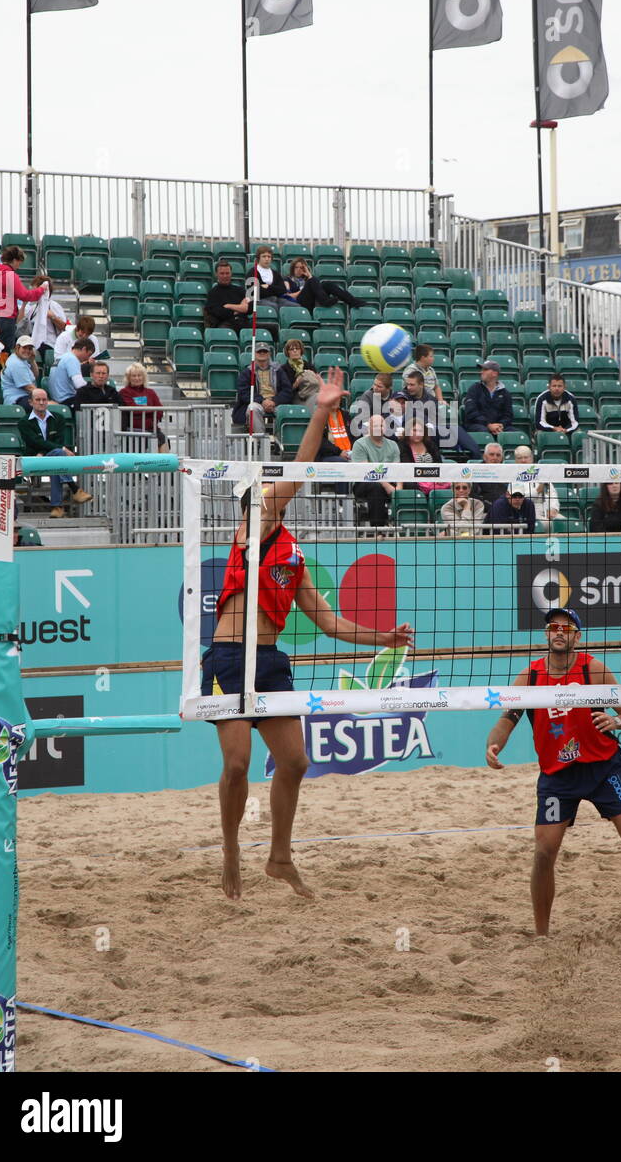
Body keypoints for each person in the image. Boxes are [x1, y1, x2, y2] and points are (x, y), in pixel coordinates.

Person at [203, 366, 413, 900]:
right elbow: (298, 471)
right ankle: (230, 850)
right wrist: (322, 410)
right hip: (229, 659)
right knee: (236, 763)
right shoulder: (254, 525)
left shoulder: (291, 556)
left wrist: (384, 638)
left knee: (295, 761)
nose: (270, 499)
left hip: (270, 662)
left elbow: (329, 622)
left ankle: (278, 857)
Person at [485, 607, 621, 936]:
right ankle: (542, 934)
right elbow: (507, 720)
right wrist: (494, 745)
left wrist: (616, 720)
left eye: (567, 628)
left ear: (577, 636)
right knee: (544, 852)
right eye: (553, 627)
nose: (559, 632)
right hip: (558, 777)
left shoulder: (594, 670)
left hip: (605, 768)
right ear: (546, 634)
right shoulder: (531, 677)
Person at [19, 387, 93, 518]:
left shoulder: (58, 418)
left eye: (44, 399)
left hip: (51, 455)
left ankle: (57, 507)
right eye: (38, 400)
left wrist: (48, 450)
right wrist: (57, 450)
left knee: (56, 461)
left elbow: (59, 440)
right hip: (34, 457)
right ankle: (74, 489)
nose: (41, 402)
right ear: (31, 402)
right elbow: (34, 442)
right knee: (58, 456)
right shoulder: (24, 422)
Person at [0, 245, 49, 352]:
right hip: (5, 318)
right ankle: (3, 369)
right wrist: (41, 289)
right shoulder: (10, 275)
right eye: (19, 262)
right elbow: (25, 295)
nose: (19, 266)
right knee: (4, 352)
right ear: (15, 260)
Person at [351, 414, 399, 525]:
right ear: (369, 428)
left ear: (385, 428)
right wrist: (387, 486)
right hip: (363, 482)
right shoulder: (359, 444)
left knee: (411, 486)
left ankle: (407, 529)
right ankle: (379, 530)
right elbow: (367, 471)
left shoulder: (393, 445)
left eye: (381, 425)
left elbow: (399, 470)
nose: (379, 428)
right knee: (376, 487)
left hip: (389, 480)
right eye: (375, 426)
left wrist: (399, 488)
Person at [232, 343, 286, 429]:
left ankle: (280, 439)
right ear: (254, 354)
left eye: (265, 351)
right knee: (252, 408)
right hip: (258, 402)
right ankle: (260, 439)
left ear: (269, 354)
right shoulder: (248, 372)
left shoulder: (278, 370)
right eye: (259, 351)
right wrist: (262, 401)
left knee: (286, 411)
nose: (262, 353)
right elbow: (244, 393)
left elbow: (287, 390)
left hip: (275, 403)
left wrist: (274, 401)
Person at [282, 257, 366, 312]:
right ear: (292, 268)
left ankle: (352, 301)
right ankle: (325, 300)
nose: (299, 270)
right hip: (299, 302)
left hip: (312, 301)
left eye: (301, 268)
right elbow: (288, 296)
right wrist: (302, 290)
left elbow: (316, 288)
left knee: (327, 284)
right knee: (312, 280)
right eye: (296, 267)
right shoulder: (287, 279)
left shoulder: (309, 279)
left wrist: (308, 274)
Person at [17, 274, 69, 360]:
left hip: (48, 343)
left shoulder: (53, 306)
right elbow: (19, 323)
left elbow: (64, 327)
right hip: (32, 342)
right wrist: (23, 305)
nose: (33, 291)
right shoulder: (33, 308)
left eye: (34, 289)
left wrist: (53, 317)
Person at [463, 359, 513, 437]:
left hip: (497, 427)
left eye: (485, 369)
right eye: (482, 369)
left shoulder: (505, 393)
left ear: (495, 373)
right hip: (477, 425)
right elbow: (471, 412)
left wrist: (500, 425)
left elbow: (508, 415)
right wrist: (488, 425)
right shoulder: (474, 389)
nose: (481, 372)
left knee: (516, 433)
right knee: (483, 432)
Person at [513, 445, 561, 526]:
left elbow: (552, 493)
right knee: (547, 524)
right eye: (520, 458)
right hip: (528, 512)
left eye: (526, 457)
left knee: (564, 522)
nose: (523, 460)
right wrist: (537, 491)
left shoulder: (541, 472)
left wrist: (553, 509)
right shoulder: (512, 475)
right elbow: (519, 498)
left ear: (531, 459)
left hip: (547, 510)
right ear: (515, 460)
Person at [119, 363, 165, 438]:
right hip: (133, 430)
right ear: (128, 378)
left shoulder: (151, 392)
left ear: (143, 377)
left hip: (151, 428)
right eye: (133, 376)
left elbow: (160, 410)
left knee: (163, 439)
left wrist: (147, 412)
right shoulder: (124, 392)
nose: (137, 378)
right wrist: (151, 410)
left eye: (139, 375)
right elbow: (133, 409)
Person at [49, 336, 95, 409]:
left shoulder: (61, 357)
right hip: (66, 400)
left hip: (56, 398)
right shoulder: (72, 359)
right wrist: (94, 388)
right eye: (88, 354)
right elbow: (79, 384)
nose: (87, 358)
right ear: (84, 349)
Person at [204, 261, 250, 333]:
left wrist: (229, 306)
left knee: (271, 328)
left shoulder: (240, 290)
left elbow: (248, 308)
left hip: (243, 322)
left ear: (231, 274)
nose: (225, 276)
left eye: (227, 273)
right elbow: (219, 313)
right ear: (216, 274)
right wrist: (239, 309)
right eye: (222, 273)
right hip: (225, 324)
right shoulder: (213, 293)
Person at [349, 372, 395, 439]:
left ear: (388, 389)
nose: (375, 388)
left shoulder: (394, 397)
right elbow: (363, 420)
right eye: (374, 384)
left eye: (379, 386)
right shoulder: (367, 396)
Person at [278, 339, 321, 407]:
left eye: (297, 348)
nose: (295, 351)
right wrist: (297, 382)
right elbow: (284, 390)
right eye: (292, 349)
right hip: (295, 398)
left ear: (301, 351)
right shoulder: (283, 369)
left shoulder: (308, 365)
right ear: (288, 352)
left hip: (311, 393)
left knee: (320, 398)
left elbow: (317, 381)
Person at [0, 335, 39, 410]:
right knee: (46, 406)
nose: (27, 351)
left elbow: (35, 376)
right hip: (16, 400)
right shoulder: (16, 363)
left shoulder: (19, 359)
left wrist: (32, 361)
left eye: (30, 349)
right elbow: (29, 387)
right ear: (17, 347)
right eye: (24, 348)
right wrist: (44, 399)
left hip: (24, 398)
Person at [472, 441, 507, 509]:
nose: (495, 458)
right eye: (491, 454)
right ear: (484, 457)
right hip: (483, 509)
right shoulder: (476, 471)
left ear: (502, 458)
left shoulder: (507, 471)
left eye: (498, 455)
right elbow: (473, 495)